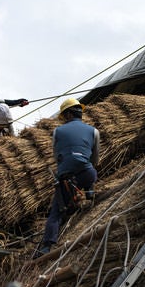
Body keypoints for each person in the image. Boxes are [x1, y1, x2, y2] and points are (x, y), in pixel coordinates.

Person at [33, 98, 100, 259]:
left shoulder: (58, 132)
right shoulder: (94, 131)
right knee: (90, 172)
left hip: (67, 180)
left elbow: (58, 158)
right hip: (88, 174)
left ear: (68, 114)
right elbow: (95, 159)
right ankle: (90, 191)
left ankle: (47, 246)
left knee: (55, 211)